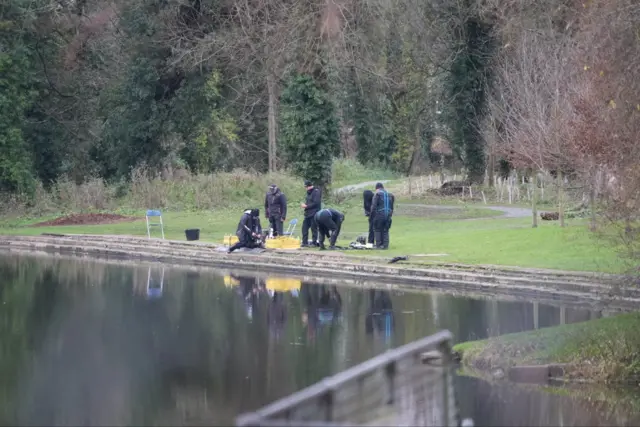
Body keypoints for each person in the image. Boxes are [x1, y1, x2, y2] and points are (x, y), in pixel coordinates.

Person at [370, 182, 395, 249]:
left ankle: (379, 245)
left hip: (379, 215)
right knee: (385, 230)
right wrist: (390, 215)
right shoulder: (390, 195)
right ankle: (385, 246)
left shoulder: (377, 194)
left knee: (377, 229)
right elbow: (392, 207)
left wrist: (371, 216)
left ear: (377, 188)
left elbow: (373, 207)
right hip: (388, 215)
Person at [300, 180, 321, 247]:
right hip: (308, 213)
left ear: (309, 186)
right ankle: (304, 242)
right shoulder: (308, 192)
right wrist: (305, 205)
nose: (305, 188)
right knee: (304, 228)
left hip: (314, 213)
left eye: (306, 187)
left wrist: (306, 206)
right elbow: (308, 201)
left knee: (314, 228)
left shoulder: (316, 192)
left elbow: (316, 203)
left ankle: (314, 242)